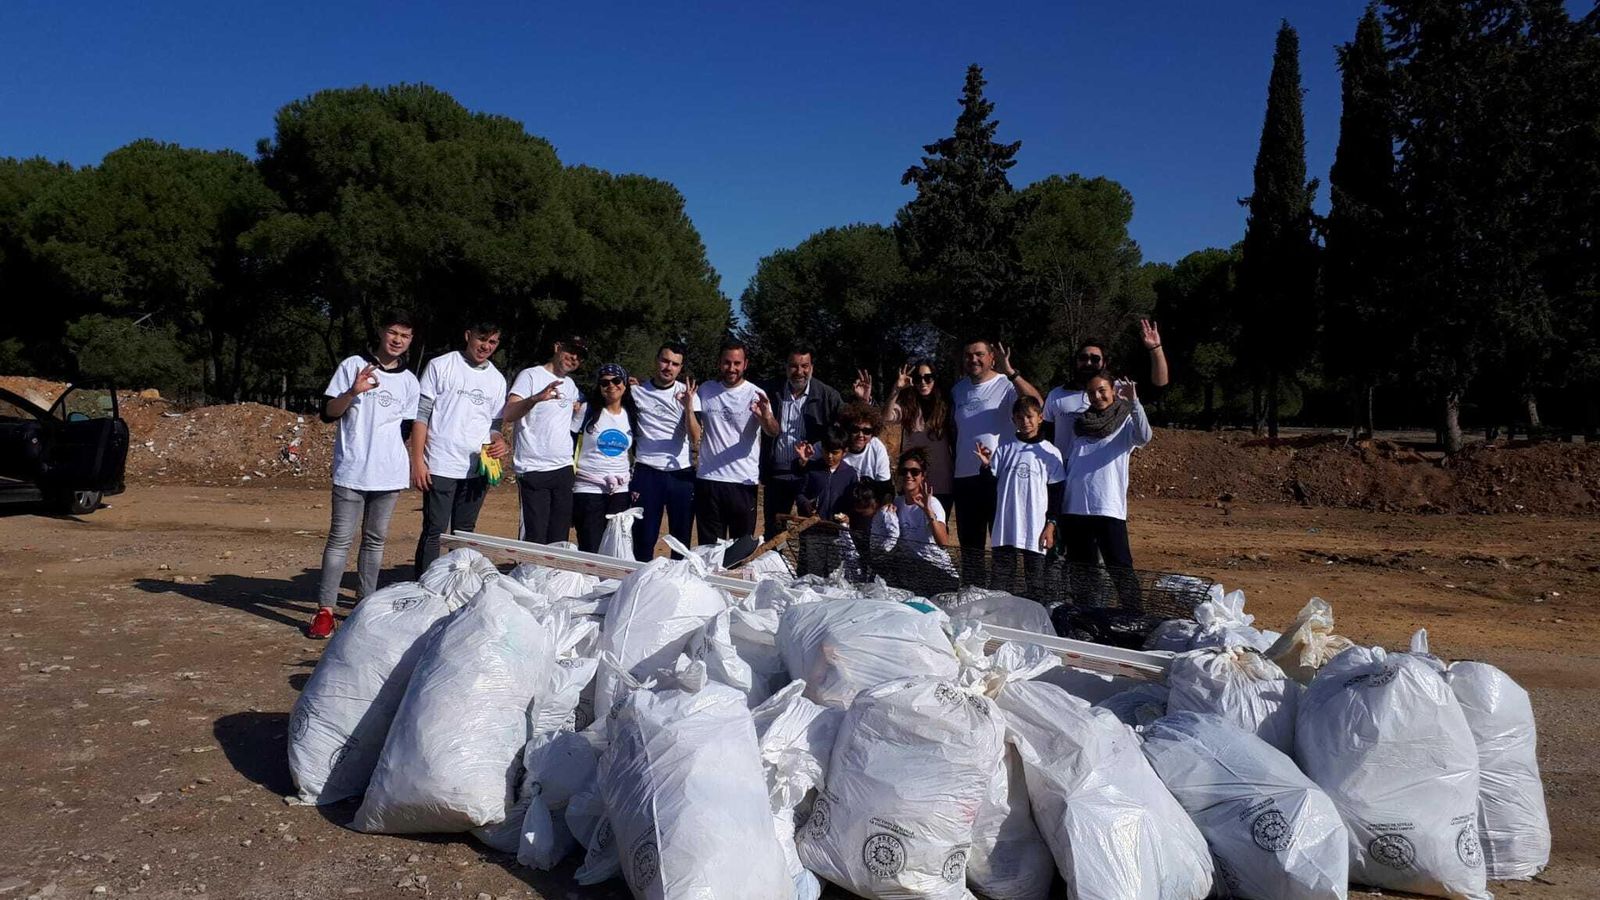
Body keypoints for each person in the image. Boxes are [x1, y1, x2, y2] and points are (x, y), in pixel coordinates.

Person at [308, 310, 421, 639]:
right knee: (340, 540)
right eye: (393, 333)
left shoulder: (410, 382)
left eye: (405, 336)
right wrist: (353, 392)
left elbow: (404, 427)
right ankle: (325, 611)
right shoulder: (352, 365)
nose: (397, 340)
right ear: (382, 333)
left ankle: (364, 607)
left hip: (388, 475)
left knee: (375, 541)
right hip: (352, 470)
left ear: (410, 341)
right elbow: (328, 413)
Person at [411, 320, 510, 574]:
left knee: (465, 534)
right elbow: (421, 415)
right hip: (441, 464)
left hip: (477, 470)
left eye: (492, 342)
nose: (485, 346)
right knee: (435, 530)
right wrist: (418, 461)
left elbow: (495, 425)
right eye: (481, 338)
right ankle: (427, 585)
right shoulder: (441, 365)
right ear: (468, 335)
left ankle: (456, 584)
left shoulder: (497, 379)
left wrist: (499, 442)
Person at [950, 338, 1043, 582]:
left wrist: (1011, 372)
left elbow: (1037, 402)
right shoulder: (958, 390)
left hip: (999, 476)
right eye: (969, 355)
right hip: (965, 476)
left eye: (979, 354)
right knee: (970, 543)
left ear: (992, 357)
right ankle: (974, 591)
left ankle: (1004, 594)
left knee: (1003, 543)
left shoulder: (1006, 385)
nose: (974, 360)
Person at [1057, 371, 1152, 608]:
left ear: (1112, 391)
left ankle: (1134, 613)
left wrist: (1134, 403)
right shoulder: (1080, 424)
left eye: (1102, 390)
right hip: (1075, 508)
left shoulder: (1125, 422)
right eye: (1091, 392)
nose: (1097, 396)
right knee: (1081, 568)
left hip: (1107, 508)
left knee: (1119, 565)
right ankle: (1086, 614)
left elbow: (1144, 437)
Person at [976, 395, 1065, 600]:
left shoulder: (1050, 452)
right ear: (1014, 420)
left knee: (1036, 586)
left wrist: (1051, 525)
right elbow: (989, 484)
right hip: (1005, 529)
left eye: (1029, 416)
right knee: (1000, 583)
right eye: (1020, 417)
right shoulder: (1005, 448)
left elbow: (1056, 493)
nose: (1025, 421)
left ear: (1040, 418)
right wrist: (985, 466)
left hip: (1035, 529)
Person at [694, 340, 779, 543]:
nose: (731, 368)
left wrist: (765, 415)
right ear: (719, 363)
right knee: (709, 549)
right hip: (709, 479)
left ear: (745, 364)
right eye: (727, 362)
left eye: (737, 363)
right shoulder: (706, 390)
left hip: (743, 482)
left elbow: (773, 431)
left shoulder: (756, 394)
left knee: (740, 549)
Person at [504, 337, 587, 544]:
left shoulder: (571, 385)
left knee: (559, 538)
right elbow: (509, 413)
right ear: (558, 347)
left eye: (580, 356)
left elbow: (579, 408)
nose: (574, 358)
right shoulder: (530, 375)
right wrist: (535, 399)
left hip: (563, 469)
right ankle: (530, 576)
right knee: (535, 537)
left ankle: (552, 577)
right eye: (570, 351)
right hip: (533, 469)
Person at [759, 347, 843, 540]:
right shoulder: (772, 392)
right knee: (774, 531)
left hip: (810, 474)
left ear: (811, 367)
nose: (799, 372)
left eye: (804, 366)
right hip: (777, 475)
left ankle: (807, 570)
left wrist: (864, 401)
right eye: (794, 366)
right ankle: (772, 567)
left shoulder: (827, 395)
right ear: (786, 367)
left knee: (812, 531)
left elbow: (851, 421)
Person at [629, 342, 699, 561]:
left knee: (681, 540)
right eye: (665, 361)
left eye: (675, 364)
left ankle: (676, 589)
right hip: (646, 472)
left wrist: (687, 406)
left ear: (680, 368)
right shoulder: (636, 391)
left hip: (681, 474)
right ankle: (641, 588)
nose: (669, 367)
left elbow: (696, 438)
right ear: (656, 361)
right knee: (643, 538)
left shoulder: (687, 394)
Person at [1044, 320, 1167, 443]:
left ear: (1104, 363)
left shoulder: (1121, 390)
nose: (1088, 363)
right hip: (1066, 462)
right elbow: (1046, 435)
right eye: (1083, 358)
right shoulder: (1056, 395)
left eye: (1095, 359)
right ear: (1076, 362)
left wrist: (1155, 349)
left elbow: (1157, 388)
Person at [858, 361, 955, 511]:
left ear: (935, 379)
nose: (923, 382)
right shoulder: (907, 406)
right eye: (917, 378)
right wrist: (896, 390)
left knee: (938, 527)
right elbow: (887, 417)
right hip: (912, 480)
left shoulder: (946, 405)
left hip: (942, 482)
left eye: (928, 378)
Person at [571, 363, 637, 553]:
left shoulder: (631, 414)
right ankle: (589, 583)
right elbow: (570, 439)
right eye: (604, 382)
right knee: (590, 545)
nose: (611, 386)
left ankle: (612, 584)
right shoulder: (587, 410)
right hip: (588, 488)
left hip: (620, 491)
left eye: (616, 381)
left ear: (624, 384)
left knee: (617, 548)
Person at [793, 427, 857, 577]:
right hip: (812, 531)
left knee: (834, 573)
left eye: (835, 453)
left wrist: (848, 517)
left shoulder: (850, 475)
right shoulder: (812, 469)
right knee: (810, 572)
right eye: (826, 451)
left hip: (836, 534)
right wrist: (805, 504)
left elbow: (853, 504)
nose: (829, 456)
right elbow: (800, 493)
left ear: (844, 452)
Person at [838, 401, 891, 499]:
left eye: (867, 431)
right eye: (855, 429)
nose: (860, 435)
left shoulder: (877, 447)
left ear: (873, 432)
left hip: (867, 502)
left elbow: (884, 486)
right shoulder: (837, 443)